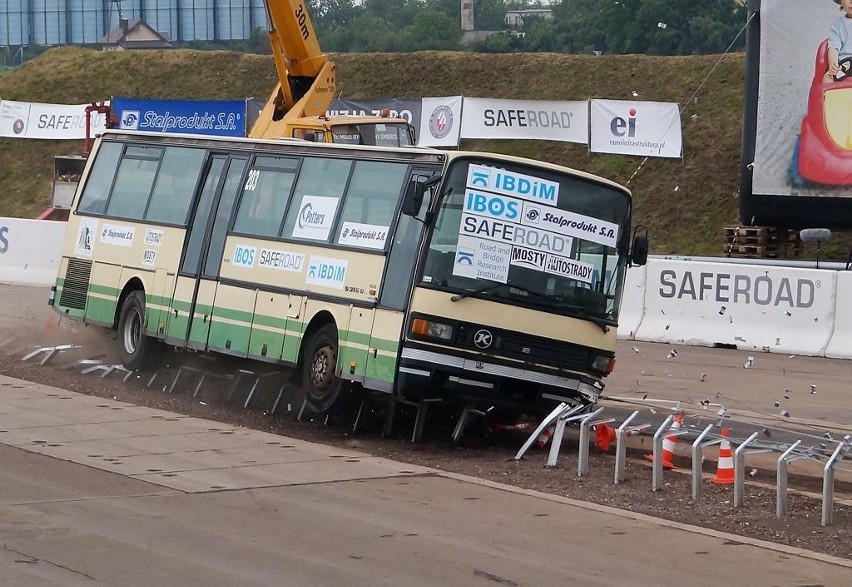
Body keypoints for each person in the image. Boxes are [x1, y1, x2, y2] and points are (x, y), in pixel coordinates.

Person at [825, 0, 852, 82]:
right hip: (845, 63)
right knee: (827, 78)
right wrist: (833, 63)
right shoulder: (838, 24)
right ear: (841, 2)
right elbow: (834, 46)